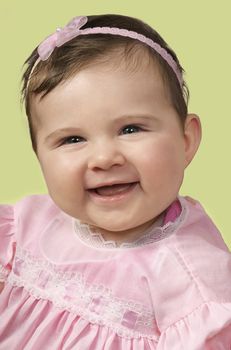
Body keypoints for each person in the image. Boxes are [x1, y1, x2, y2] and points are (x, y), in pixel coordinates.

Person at [0, 14, 230, 349]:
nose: (104, 158)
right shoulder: (24, 228)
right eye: (72, 140)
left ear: (185, 140)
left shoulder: (195, 284)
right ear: (39, 156)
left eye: (131, 129)